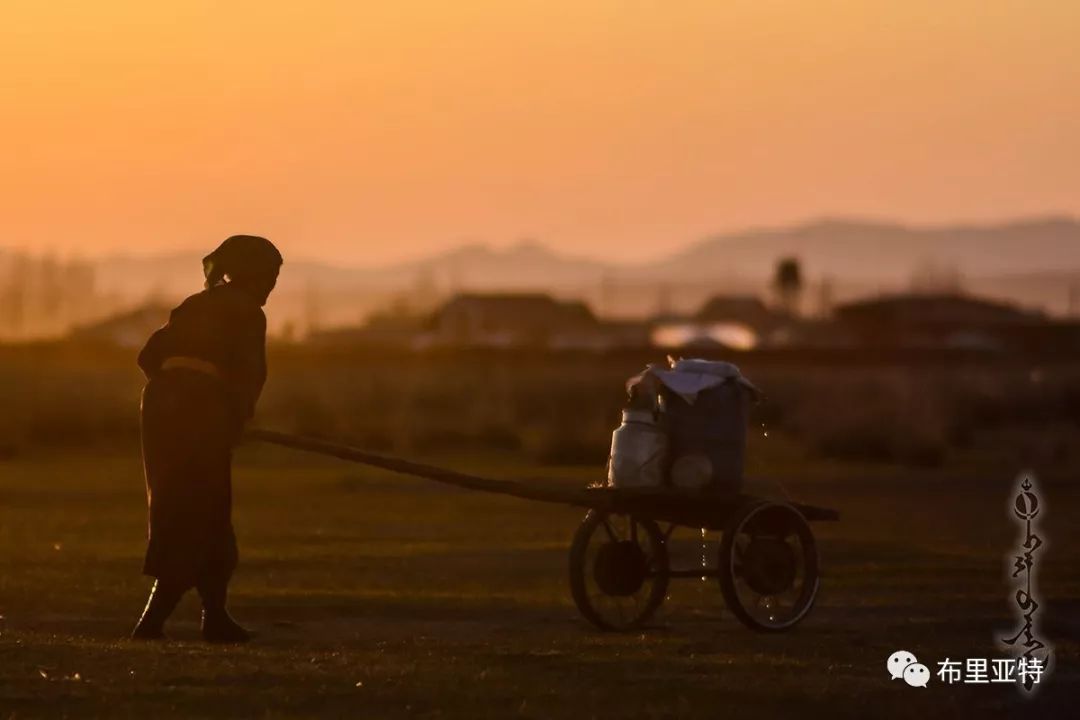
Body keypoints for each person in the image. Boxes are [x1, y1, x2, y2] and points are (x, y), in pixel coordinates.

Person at [131, 235, 282, 642]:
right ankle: (153, 624)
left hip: (161, 405)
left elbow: (148, 356)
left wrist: (175, 390)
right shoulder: (247, 311)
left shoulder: (195, 304)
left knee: (183, 506)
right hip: (200, 409)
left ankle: (214, 618)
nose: (272, 286)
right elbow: (250, 372)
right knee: (201, 509)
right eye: (270, 275)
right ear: (253, 275)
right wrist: (230, 414)